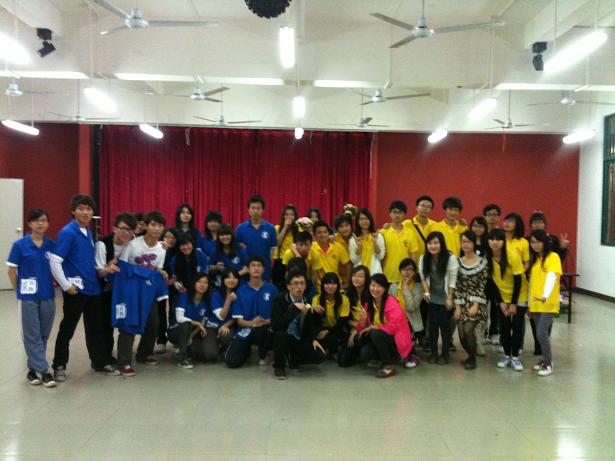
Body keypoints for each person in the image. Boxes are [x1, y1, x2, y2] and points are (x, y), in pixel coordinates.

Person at [50, 194, 118, 381]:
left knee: (96, 329)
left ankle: (99, 361)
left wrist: (105, 269)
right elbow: (55, 261)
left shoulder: (88, 233)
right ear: (73, 211)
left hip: (93, 289)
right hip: (75, 291)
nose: (85, 212)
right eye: (81, 208)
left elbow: (88, 262)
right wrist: (66, 286)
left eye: (88, 209)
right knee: (68, 329)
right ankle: (59, 365)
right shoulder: (67, 232)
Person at [7, 209, 57, 387]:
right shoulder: (20, 245)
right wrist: (18, 291)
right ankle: (44, 371)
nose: (40, 223)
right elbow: (11, 270)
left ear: (48, 224)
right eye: (36, 220)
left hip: (48, 295)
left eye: (43, 220)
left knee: (43, 334)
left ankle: (32, 369)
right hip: (28, 297)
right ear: (29, 224)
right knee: (32, 334)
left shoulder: (51, 245)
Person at [117, 210, 168, 376]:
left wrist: (161, 272)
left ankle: (144, 354)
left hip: (148, 291)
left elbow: (157, 269)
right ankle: (124, 362)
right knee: (129, 323)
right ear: (145, 226)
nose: (156, 228)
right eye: (153, 224)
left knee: (153, 322)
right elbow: (122, 266)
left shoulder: (162, 249)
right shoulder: (133, 245)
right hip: (131, 290)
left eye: (160, 225)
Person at [350, 274, 413, 378]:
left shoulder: (391, 302)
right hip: (380, 338)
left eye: (379, 286)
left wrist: (373, 327)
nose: (375, 289)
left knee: (375, 333)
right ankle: (381, 358)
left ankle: (388, 365)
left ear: (385, 288)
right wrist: (362, 321)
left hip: (396, 340)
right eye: (373, 285)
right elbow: (362, 327)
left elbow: (394, 327)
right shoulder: (369, 303)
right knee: (361, 342)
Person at [95, 212, 137, 357]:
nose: (127, 233)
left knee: (125, 321)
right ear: (114, 228)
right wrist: (107, 269)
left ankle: (123, 354)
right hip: (106, 289)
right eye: (123, 228)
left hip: (126, 289)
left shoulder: (133, 243)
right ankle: (105, 356)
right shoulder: (102, 244)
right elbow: (99, 272)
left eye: (130, 230)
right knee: (106, 323)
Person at [271, 270, 326, 379]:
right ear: (288, 286)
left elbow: (310, 322)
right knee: (280, 335)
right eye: (295, 283)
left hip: (299, 337)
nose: (299, 286)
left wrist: (313, 339)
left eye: (302, 283)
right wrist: (294, 309)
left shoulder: (308, 300)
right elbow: (276, 325)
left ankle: (293, 358)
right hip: (284, 336)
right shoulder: (279, 299)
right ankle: (279, 367)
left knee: (319, 356)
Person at [225, 256, 278, 368]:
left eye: (259, 266)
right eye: (253, 266)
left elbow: (278, 315)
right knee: (231, 361)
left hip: (266, 329)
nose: (256, 268)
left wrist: (265, 321)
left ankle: (264, 354)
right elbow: (239, 321)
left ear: (263, 269)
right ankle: (246, 351)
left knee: (263, 330)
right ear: (248, 270)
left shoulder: (272, 289)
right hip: (246, 329)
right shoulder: (240, 291)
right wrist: (252, 323)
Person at [486, 229, 527, 372]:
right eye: (492, 239)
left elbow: (518, 281)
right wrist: (501, 302)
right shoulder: (487, 258)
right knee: (504, 326)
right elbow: (491, 283)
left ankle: (515, 357)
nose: (495, 242)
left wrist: (514, 303)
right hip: (502, 296)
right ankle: (506, 355)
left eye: (498, 239)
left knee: (517, 326)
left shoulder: (512, 256)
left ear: (503, 241)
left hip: (519, 295)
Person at [419, 231, 459, 365]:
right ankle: (434, 352)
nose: (433, 246)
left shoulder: (450, 258)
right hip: (432, 296)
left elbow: (453, 279)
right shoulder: (424, 258)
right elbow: (423, 277)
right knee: (433, 326)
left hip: (446, 295)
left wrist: (450, 298)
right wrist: (426, 292)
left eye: (436, 243)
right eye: (430, 243)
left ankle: (445, 354)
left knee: (445, 326)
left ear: (441, 244)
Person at [528, 229, 562, 377]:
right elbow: (532, 284)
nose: (535, 245)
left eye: (538, 242)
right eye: (533, 242)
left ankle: (548, 364)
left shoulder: (553, 257)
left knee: (541, 333)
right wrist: (530, 304)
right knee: (540, 334)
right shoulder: (536, 260)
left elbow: (551, 277)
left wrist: (545, 296)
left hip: (548, 303)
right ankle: (544, 359)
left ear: (545, 242)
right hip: (536, 303)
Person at [453, 231, 489, 370]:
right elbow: (457, 285)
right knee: (461, 335)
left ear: (474, 243)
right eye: (463, 241)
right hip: (461, 301)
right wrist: (457, 307)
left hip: (477, 302)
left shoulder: (483, 262)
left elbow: (482, 285)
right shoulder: (457, 262)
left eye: (468, 241)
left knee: (468, 330)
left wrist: (475, 305)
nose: (466, 244)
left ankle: (472, 360)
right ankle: (470, 355)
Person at [498, 212, 530, 350]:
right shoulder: (499, 240)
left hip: (519, 285)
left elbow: (526, 262)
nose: (507, 223)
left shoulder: (523, 242)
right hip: (502, 285)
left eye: (511, 221)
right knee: (504, 319)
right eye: (506, 220)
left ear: (518, 225)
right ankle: (504, 344)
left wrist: (518, 272)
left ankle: (518, 346)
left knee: (518, 321)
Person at [167, 273, 209, 369]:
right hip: (176, 330)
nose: (202, 285)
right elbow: (179, 318)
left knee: (198, 352)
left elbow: (203, 322)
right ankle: (182, 359)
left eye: (205, 283)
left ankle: (183, 348)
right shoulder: (184, 296)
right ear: (194, 283)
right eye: (199, 282)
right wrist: (197, 323)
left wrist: (191, 336)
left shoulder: (206, 301)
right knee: (186, 324)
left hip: (191, 332)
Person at [236, 195, 278, 281]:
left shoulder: (271, 228)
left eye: (258, 208)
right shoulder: (240, 228)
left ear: (263, 210)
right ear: (248, 210)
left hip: (265, 271)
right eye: (253, 208)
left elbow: (272, 251)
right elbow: (237, 250)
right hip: (246, 271)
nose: (255, 211)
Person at [201, 267, 238, 361]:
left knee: (226, 337)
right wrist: (228, 300)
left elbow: (237, 316)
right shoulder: (215, 294)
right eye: (228, 277)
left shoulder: (240, 294)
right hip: (212, 326)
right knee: (210, 355)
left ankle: (224, 346)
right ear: (223, 280)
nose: (231, 280)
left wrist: (226, 325)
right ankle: (214, 344)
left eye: (234, 277)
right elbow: (221, 316)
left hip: (228, 326)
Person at [311, 272, 351, 357]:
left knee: (332, 338)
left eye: (333, 284)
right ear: (322, 285)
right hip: (321, 328)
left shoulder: (344, 299)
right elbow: (313, 321)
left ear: (338, 285)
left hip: (338, 329)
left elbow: (342, 322)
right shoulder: (316, 299)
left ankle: (333, 351)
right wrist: (315, 311)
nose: (330, 286)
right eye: (327, 284)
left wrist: (328, 331)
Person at [389, 258, 425, 350]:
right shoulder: (393, 287)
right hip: (395, 320)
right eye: (404, 269)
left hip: (410, 321)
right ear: (400, 271)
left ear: (414, 272)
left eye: (410, 269)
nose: (407, 272)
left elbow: (411, 307)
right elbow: (389, 307)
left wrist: (405, 288)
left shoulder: (419, 287)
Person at [380, 200, 418, 284]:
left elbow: (413, 255)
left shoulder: (410, 233)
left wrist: (413, 273)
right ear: (390, 214)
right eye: (394, 212)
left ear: (404, 214)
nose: (397, 215)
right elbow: (380, 256)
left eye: (400, 212)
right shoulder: (383, 232)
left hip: (406, 277)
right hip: (387, 276)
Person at [155, 228, 178, 353]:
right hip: (159, 285)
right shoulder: (157, 249)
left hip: (175, 285)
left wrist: (173, 280)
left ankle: (176, 338)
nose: (171, 239)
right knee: (160, 312)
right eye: (168, 236)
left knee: (174, 311)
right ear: (162, 237)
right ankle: (161, 340)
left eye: (173, 238)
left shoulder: (179, 251)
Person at [309, 220, 350, 290]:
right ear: (314, 235)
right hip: (319, 289)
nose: (322, 235)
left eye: (325, 232)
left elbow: (348, 263)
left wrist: (347, 283)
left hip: (337, 287)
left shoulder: (337, 246)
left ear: (328, 233)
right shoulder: (311, 248)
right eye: (319, 232)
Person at [349, 208, 385, 275]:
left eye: (366, 219)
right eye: (361, 219)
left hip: (375, 273)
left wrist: (375, 243)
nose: (364, 221)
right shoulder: (354, 238)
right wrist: (359, 247)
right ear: (357, 221)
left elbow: (381, 256)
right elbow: (354, 260)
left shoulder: (378, 236)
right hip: (359, 274)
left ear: (370, 220)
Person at [273, 205, 299, 286]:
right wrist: (285, 227)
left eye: (291, 214)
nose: (289, 217)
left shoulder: (299, 229)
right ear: (283, 216)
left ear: (295, 217)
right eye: (286, 214)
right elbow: (277, 243)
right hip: (280, 262)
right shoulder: (277, 228)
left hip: (293, 262)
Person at [333, 214, 354, 287]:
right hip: (339, 279)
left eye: (347, 225)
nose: (344, 228)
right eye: (341, 226)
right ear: (337, 229)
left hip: (356, 276)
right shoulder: (334, 240)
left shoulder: (356, 238)